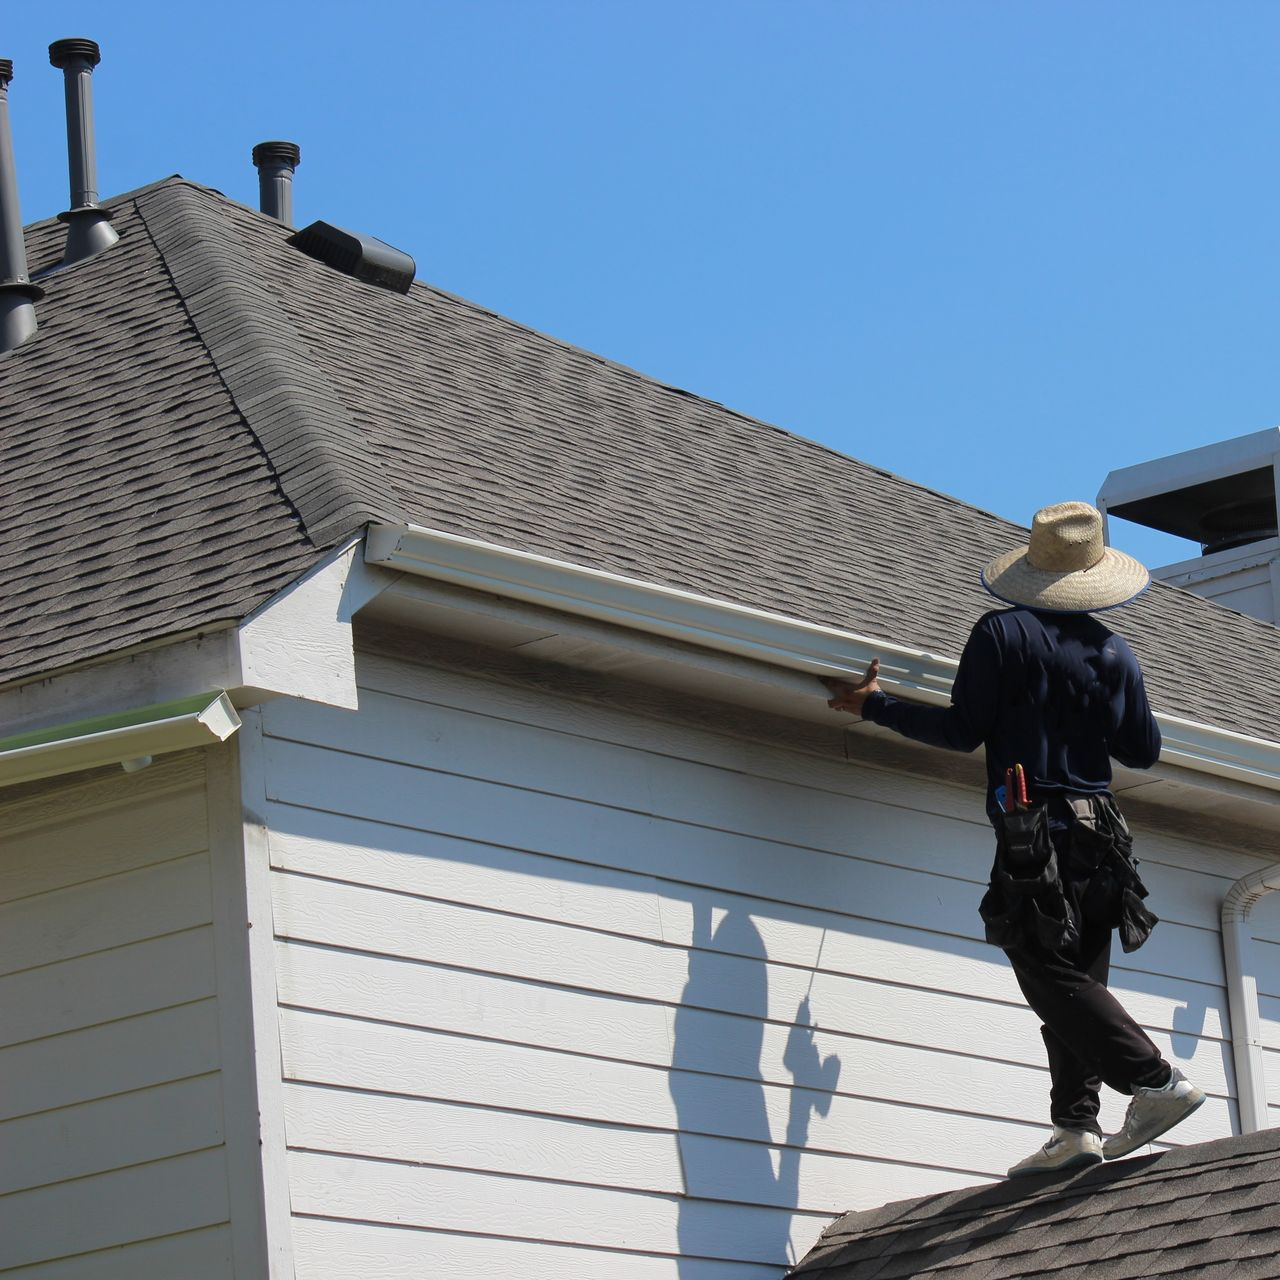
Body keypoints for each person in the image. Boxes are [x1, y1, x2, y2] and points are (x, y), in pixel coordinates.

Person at [823, 502, 1205, 1178]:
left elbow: (960, 730)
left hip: (1038, 832)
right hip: (1104, 837)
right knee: (1080, 977)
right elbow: (1142, 750)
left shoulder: (1003, 635)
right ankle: (1075, 1127)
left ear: (1034, 568)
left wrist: (873, 704)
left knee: (1039, 960)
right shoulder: (1113, 651)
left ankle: (1155, 1082)